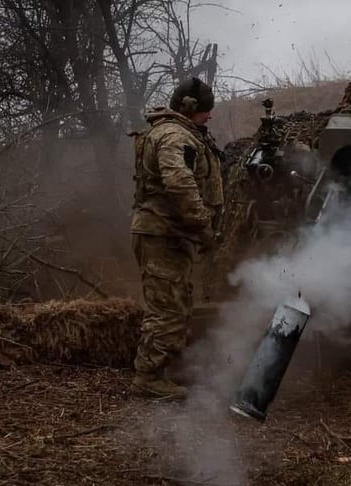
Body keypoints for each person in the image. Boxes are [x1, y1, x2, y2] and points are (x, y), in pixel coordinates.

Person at [130, 77, 224, 399]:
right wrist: (203, 226)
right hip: (162, 233)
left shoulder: (180, 133)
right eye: (206, 111)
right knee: (166, 309)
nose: (209, 117)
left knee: (177, 303)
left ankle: (166, 368)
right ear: (189, 107)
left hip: (169, 234)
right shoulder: (173, 136)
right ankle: (149, 377)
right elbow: (180, 185)